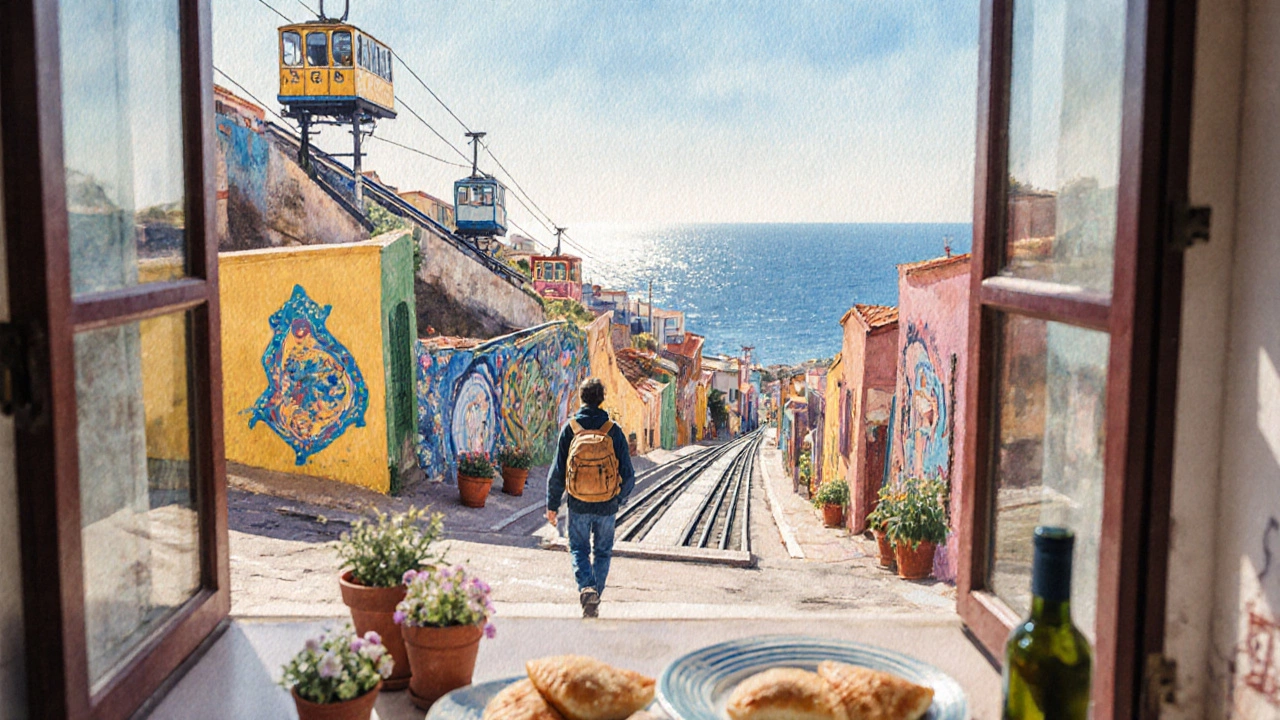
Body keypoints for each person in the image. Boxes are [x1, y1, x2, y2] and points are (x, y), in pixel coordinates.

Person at [545, 378, 635, 618]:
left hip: (578, 504)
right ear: (602, 399)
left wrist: (552, 505)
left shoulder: (571, 428)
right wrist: (618, 500)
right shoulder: (613, 430)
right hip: (607, 506)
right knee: (602, 552)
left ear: (581, 398)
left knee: (578, 549)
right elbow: (629, 475)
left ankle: (587, 587)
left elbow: (557, 472)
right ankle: (594, 595)